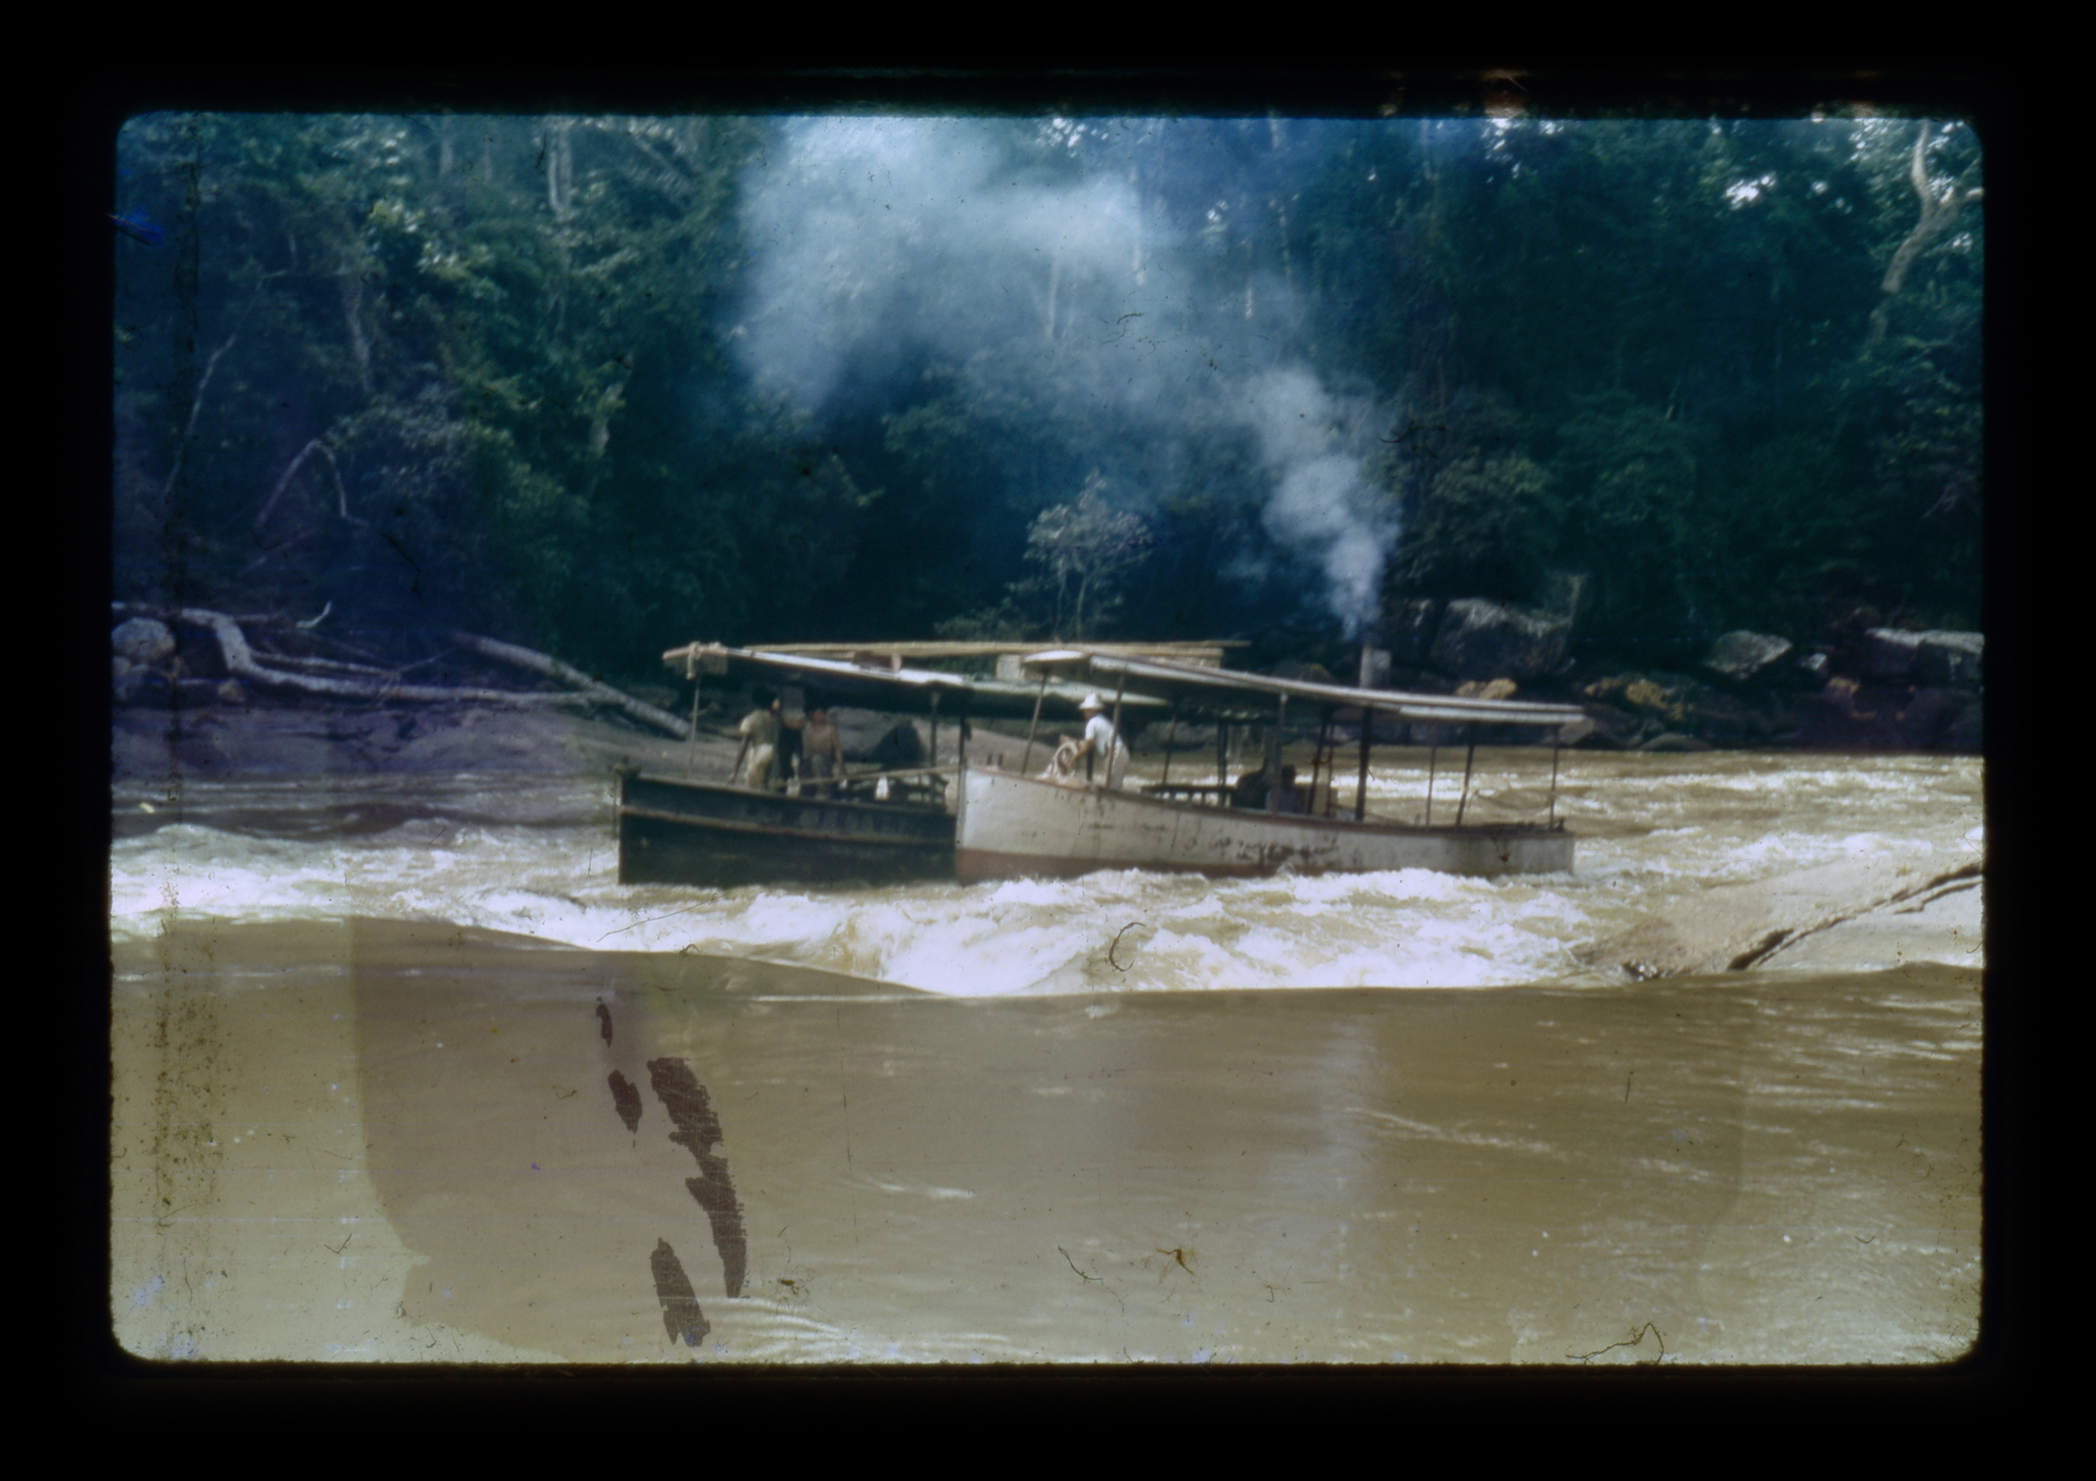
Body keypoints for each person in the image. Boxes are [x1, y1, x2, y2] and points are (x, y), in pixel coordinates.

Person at [1069, 693, 1130, 789]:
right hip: (1120, 753)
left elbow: (1087, 746)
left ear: (1093, 710)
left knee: (1111, 789)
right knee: (1111, 785)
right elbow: (1091, 743)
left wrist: (1074, 758)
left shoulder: (1092, 723)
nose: (1085, 712)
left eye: (1087, 710)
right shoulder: (1101, 720)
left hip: (1115, 754)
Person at [734, 688, 781, 791]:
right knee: (769, 788)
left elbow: (744, 745)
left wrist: (735, 772)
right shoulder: (774, 719)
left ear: (754, 701)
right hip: (774, 752)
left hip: (759, 754)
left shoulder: (751, 719)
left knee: (755, 789)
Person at [798, 703, 845, 798]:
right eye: (818, 713)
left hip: (825, 763)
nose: (821, 716)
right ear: (812, 715)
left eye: (823, 713)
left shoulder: (830, 729)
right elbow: (790, 723)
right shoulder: (805, 725)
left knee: (817, 759)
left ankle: (823, 791)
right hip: (807, 763)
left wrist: (841, 766)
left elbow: (836, 749)